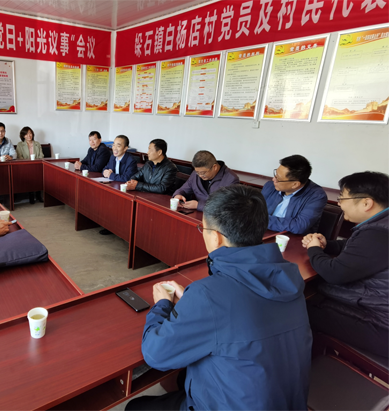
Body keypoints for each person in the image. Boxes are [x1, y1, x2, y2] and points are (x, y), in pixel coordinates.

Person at [126, 185, 311, 411]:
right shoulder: (289, 276)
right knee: (184, 377)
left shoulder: (207, 295)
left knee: (136, 407)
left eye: (202, 228)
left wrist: (163, 305)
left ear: (216, 238)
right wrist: (193, 304)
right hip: (287, 402)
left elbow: (155, 355)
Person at [303, 171, 389, 357]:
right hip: (376, 307)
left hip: (381, 326)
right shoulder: (382, 224)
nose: (339, 203)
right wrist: (327, 244)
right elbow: (356, 248)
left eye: (342, 198)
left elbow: (334, 274)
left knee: (299, 308)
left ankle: (314, 360)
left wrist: (314, 248)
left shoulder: (379, 234)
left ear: (366, 203)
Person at [262, 155, 327, 234]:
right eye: (275, 174)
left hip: (292, 238)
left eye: (278, 178)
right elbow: (254, 211)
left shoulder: (316, 196)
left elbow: (299, 226)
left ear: (295, 184)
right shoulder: (270, 186)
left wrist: (261, 220)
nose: (273, 179)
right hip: (263, 232)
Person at [173, 150, 239, 210]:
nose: (200, 175)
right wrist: (178, 195)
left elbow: (227, 206)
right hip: (197, 215)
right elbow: (184, 189)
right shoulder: (195, 174)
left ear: (214, 167)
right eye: (197, 172)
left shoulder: (231, 179)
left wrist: (199, 205)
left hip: (216, 217)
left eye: (203, 173)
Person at [16, 126, 44, 203]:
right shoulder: (20, 144)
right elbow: (19, 157)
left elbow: (41, 155)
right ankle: (31, 194)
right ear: (23, 136)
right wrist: (27, 164)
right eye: (26, 134)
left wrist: (36, 163)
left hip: (37, 165)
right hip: (25, 166)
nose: (29, 135)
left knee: (38, 174)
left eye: (30, 133)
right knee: (29, 174)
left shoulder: (37, 144)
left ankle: (38, 194)